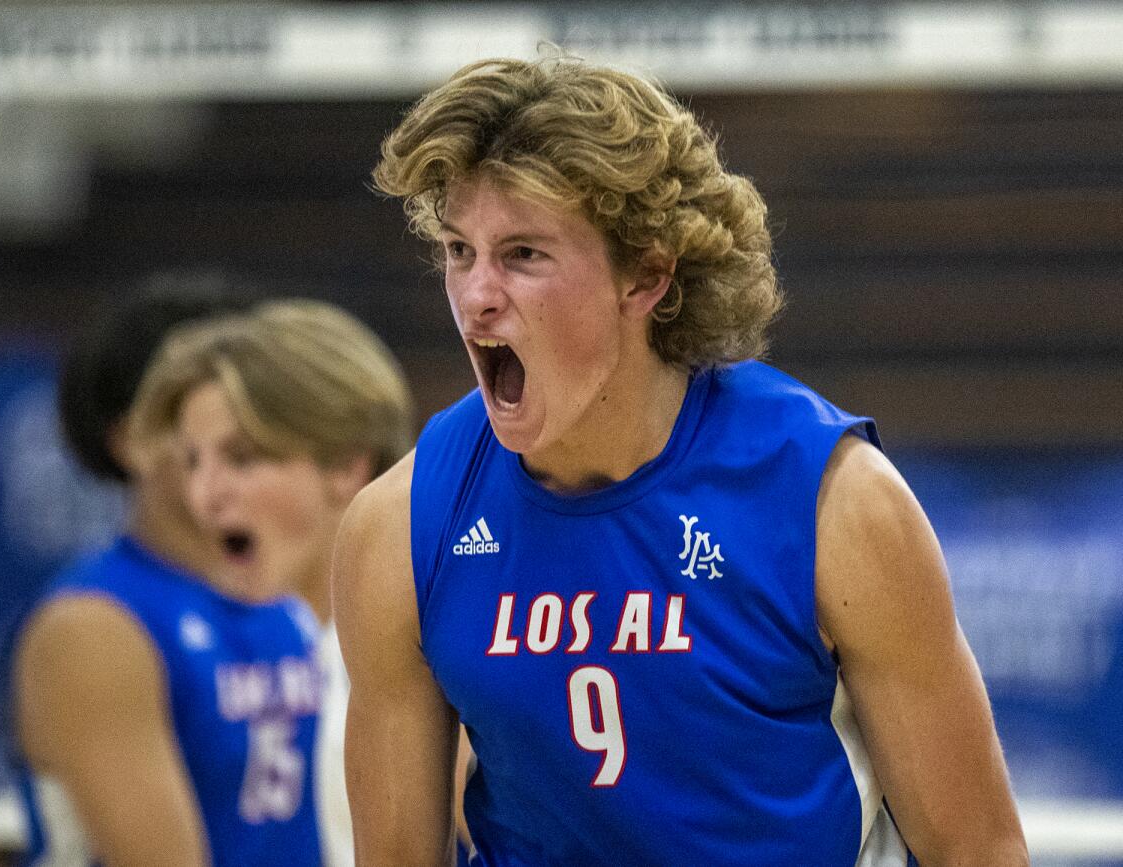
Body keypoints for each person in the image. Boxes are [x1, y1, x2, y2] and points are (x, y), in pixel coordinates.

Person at [333, 55, 1029, 865]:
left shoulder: (835, 502)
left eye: (523, 254)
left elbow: (978, 847)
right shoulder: (401, 524)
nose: (477, 295)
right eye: (459, 250)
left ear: (648, 275)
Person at [11, 292, 411, 866]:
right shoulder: (97, 621)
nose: (210, 489)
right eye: (195, 453)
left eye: (241, 453)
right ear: (134, 442)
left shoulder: (313, 609)